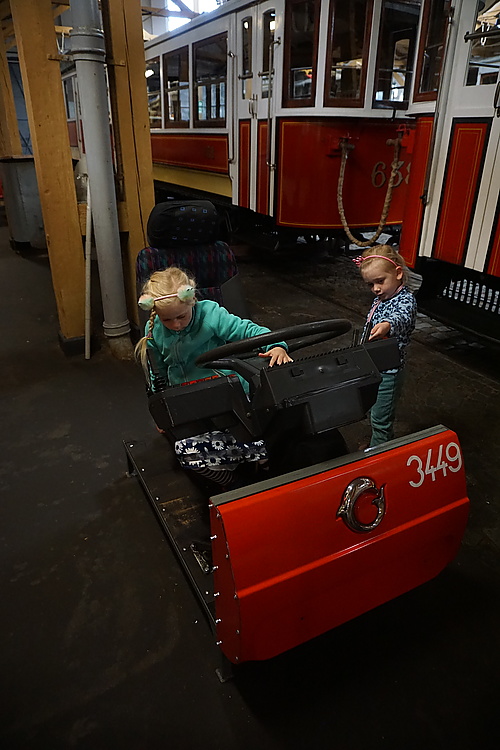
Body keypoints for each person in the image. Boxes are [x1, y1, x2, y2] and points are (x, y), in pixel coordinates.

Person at [135, 266, 292, 488]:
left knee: (258, 443)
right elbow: (156, 371)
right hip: (188, 402)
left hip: (226, 397)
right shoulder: (153, 329)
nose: (176, 325)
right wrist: (160, 408)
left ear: (191, 301)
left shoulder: (211, 314)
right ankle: (236, 484)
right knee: (186, 454)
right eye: (168, 320)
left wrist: (276, 345)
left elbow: (249, 331)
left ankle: (264, 468)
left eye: (181, 316)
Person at [355, 245, 417, 447]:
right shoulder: (381, 298)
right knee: (374, 412)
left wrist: (387, 325)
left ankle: (380, 454)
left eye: (380, 282)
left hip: (390, 372)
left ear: (398, 273)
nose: (376, 289)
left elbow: (402, 317)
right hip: (374, 365)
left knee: (381, 420)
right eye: (370, 285)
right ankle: (376, 445)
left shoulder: (406, 300)